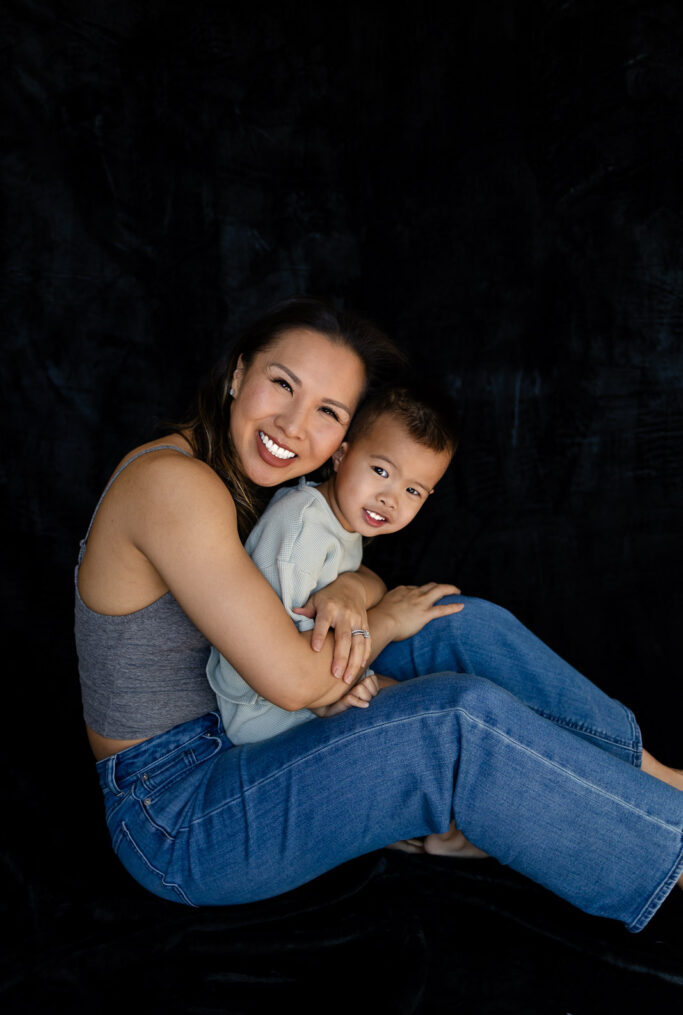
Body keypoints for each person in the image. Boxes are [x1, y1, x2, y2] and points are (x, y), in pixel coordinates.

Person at [75, 296, 683, 928]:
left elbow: (345, 574)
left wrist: (352, 590)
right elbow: (295, 682)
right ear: (238, 372)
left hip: (246, 730)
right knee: (453, 719)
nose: (293, 425)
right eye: (282, 383)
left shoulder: (248, 468)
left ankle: (658, 780)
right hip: (177, 813)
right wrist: (382, 616)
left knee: (451, 619)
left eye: (328, 411)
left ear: (344, 439)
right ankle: (671, 848)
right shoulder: (175, 484)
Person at [206, 383, 457, 744]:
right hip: (264, 715)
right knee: (439, 714)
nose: (390, 499)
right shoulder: (300, 532)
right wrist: (326, 701)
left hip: (316, 683)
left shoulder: (340, 519)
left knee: (437, 696)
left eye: (412, 491)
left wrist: (354, 588)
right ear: (341, 456)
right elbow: (277, 667)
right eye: (381, 471)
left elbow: (359, 579)